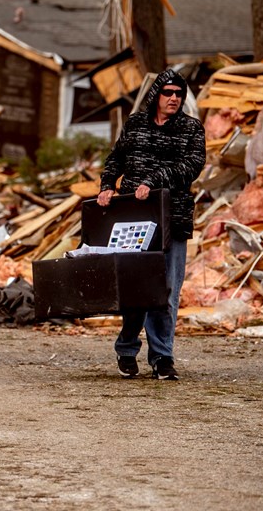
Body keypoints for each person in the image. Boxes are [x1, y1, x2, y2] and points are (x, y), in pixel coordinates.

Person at [97, 67, 206, 380]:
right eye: (168, 93)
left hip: (174, 218)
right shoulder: (135, 124)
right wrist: (107, 184)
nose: (174, 98)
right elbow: (116, 158)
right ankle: (127, 347)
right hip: (135, 219)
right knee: (135, 286)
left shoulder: (190, 128)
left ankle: (162, 357)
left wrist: (155, 180)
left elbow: (193, 165)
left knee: (166, 290)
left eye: (178, 94)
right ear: (156, 95)